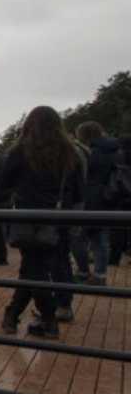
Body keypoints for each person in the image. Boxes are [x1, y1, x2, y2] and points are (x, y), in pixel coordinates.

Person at [0, 106, 84, 339]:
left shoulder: (20, 151)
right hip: (59, 220)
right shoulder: (71, 152)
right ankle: (14, 316)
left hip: (28, 218)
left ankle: (45, 320)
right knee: (36, 269)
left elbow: (4, 183)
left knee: (33, 270)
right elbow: (78, 192)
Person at [74, 121, 120, 285]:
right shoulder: (115, 150)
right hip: (109, 198)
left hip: (90, 198)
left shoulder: (90, 153)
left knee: (78, 237)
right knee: (101, 238)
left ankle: (83, 271)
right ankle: (100, 275)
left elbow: (82, 176)